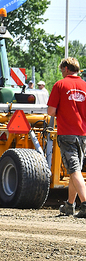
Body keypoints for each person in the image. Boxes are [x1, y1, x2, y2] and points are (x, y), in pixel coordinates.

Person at [47, 57, 86, 217]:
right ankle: (70, 205)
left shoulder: (60, 85)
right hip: (82, 134)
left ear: (66, 68)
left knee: (74, 170)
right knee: (74, 171)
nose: (61, 73)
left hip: (67, 133)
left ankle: (85, 203)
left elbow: (50, 111)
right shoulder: (85, 85)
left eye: (62, 69)